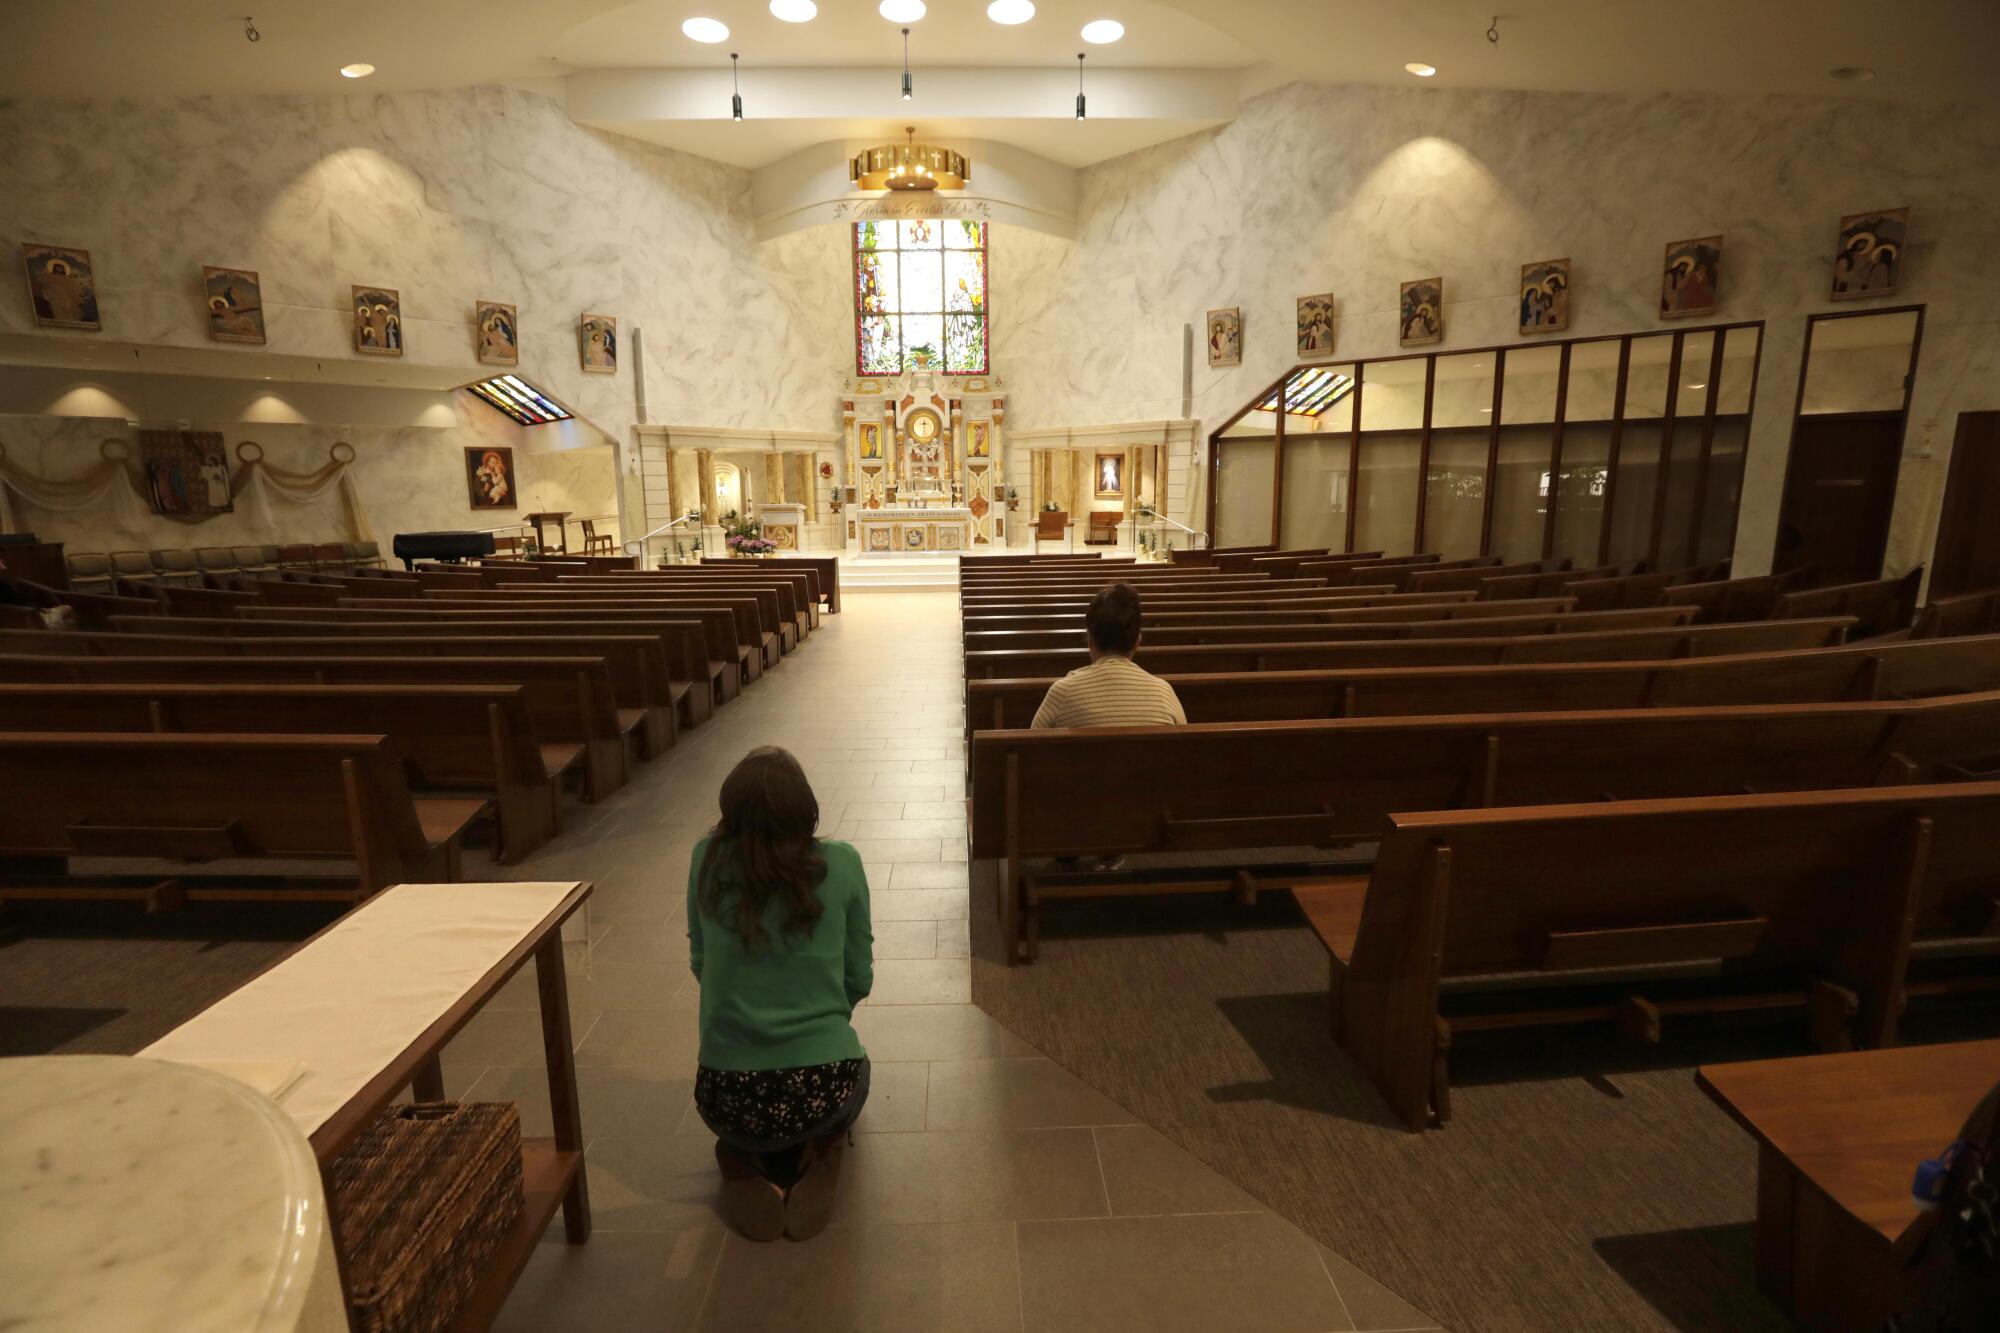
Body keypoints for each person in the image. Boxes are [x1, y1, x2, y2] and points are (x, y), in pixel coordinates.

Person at [687, 746, 873, 1242]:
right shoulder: (843, 862)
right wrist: (819, 1013)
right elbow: (859, 976)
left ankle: (739, 1155)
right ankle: (825, 1147)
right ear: (806, 810)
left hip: (727, 1095)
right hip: (823, 1087)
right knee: (860, 1067)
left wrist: (748, 1002)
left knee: (741, 1118)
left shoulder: (705, 859)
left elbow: (701, 962)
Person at [1031, 582, 1186, 728]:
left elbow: (1032, 748)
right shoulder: (1164, 694)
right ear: (1137, 641)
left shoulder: (1063, 693)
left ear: (1090, 639)